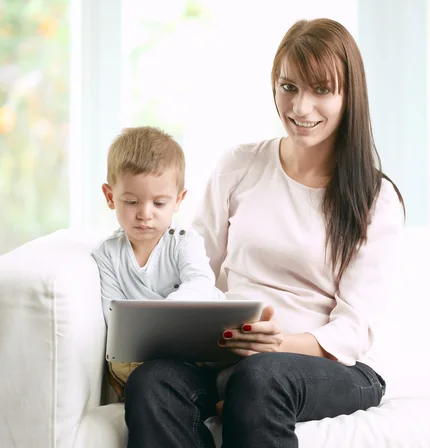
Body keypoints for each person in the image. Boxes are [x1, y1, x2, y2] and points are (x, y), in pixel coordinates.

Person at [123, 18, 405, 448]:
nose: (301, 107)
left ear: (349, 96)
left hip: (341, 368)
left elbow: (354, 329)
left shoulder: (375, 197)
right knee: (152, 383)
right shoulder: (240, 166)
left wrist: (278, 345)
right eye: (289, 87)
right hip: (233, 356)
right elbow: (201, 270)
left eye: (321, 90)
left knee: (259, 377)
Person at [91, 126, 224, 396]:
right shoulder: (108, 254)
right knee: (120, 364)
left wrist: (162, 317)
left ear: (178, 200)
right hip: (152, 349)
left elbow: (200, 282)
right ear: (110, 197)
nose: (145, 214)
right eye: (131, 202)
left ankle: (222, 391)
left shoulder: (185, 242)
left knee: (235, 354)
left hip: (199, 337)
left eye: (159, 203)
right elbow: (113, 313)